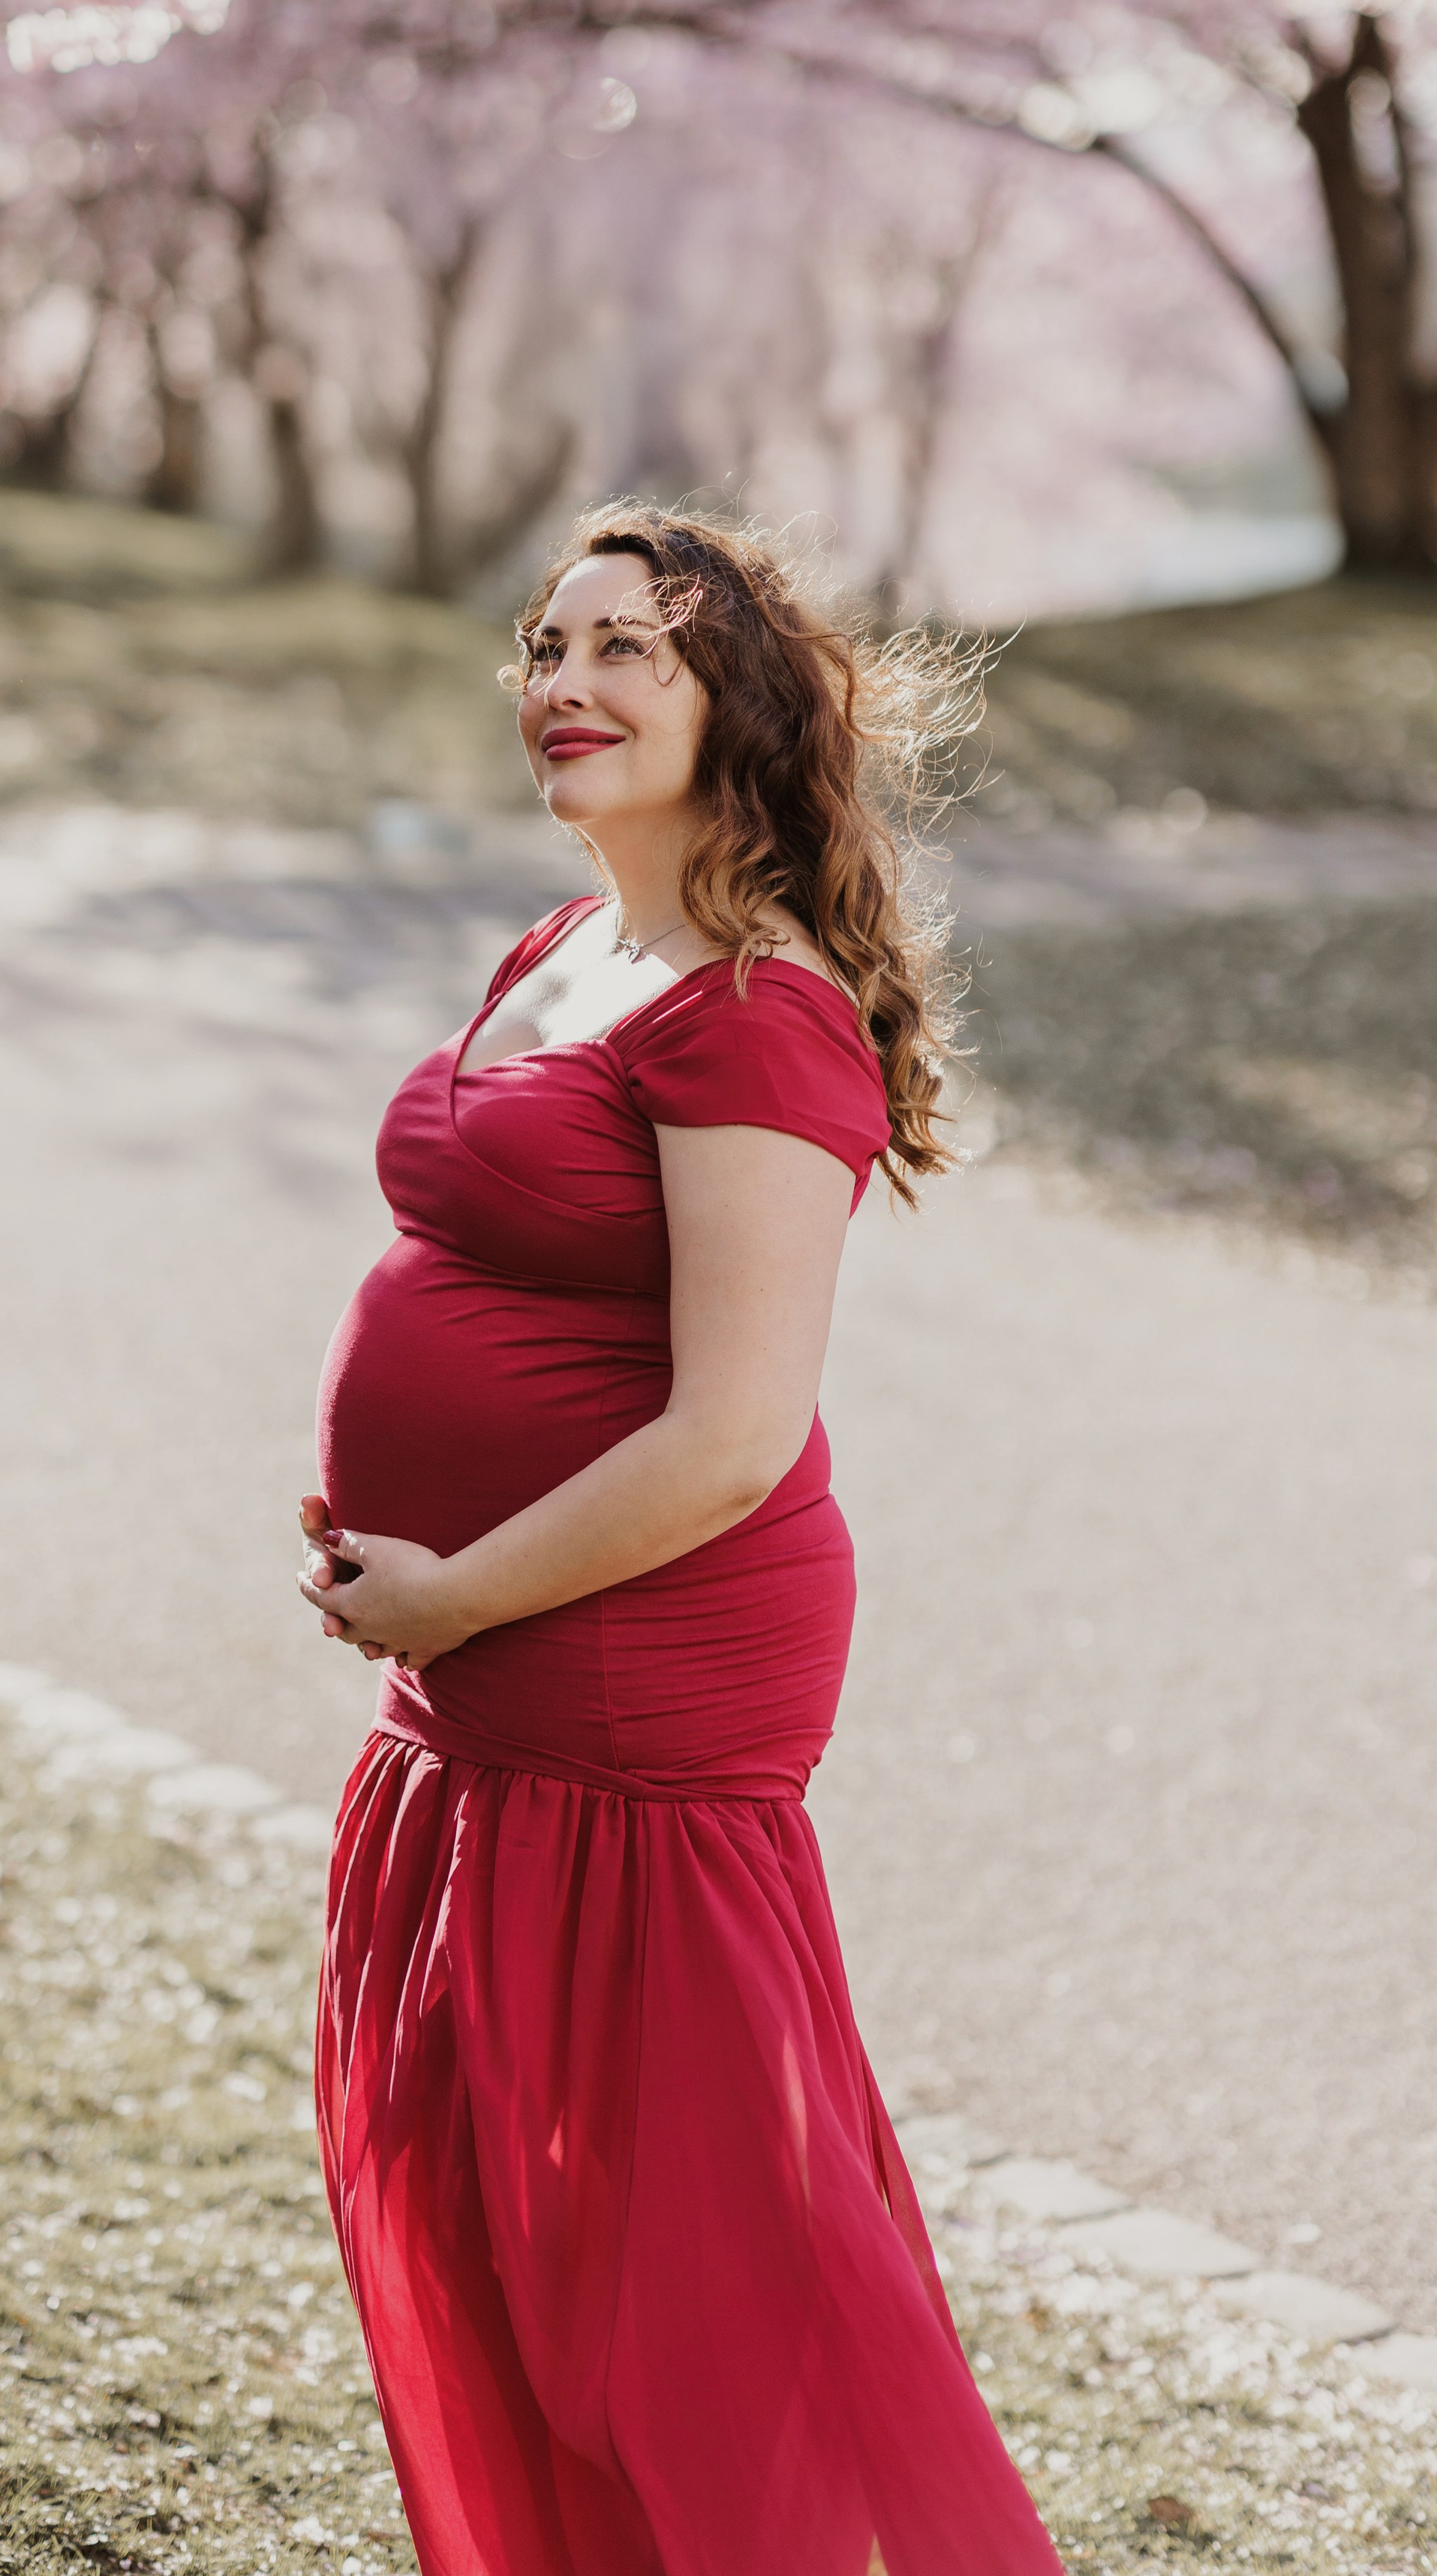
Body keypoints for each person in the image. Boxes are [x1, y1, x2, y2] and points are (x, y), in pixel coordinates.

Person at [297, 504, 1062, 2576]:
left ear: (739, 703)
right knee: (506, 2210)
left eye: (629, 649)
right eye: (545, 648)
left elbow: (731, 1436)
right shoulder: (561, 948)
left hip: (638, 1674)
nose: (567, 685)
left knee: (693, 2271)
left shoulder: (754, 1011)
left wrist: (453, 1585)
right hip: (488, 1664)